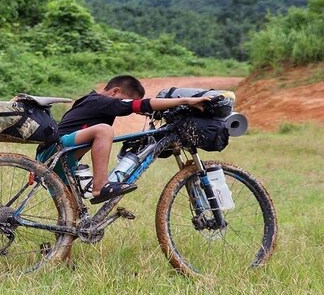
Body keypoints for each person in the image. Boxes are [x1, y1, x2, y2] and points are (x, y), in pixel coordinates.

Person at [37, 75, 210, 204]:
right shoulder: (100, 101)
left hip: (60, 157)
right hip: (56, 151)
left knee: (72, 212)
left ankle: (61, 252)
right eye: (126, 99)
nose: (126, 103)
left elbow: (139, 107)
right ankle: (100, 186)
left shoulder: (94, 102)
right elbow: (140, 105)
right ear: (115, 91)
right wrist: (187, 100)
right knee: (104, 131)